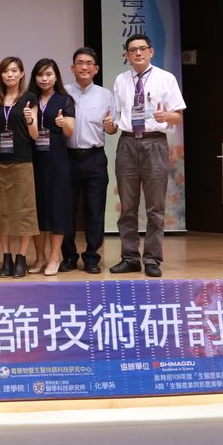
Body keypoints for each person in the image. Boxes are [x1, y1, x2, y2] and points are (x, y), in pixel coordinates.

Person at [110, 33, 187, 278]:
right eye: (133, 50)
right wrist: (108, 124)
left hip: (155, 143)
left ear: (151, 52)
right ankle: (130, 257)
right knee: (127, 207)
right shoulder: (121, 80)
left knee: (155, 207)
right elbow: (115, 118)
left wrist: (167, 117)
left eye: (143, 49)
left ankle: (152, 259)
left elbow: (178, 116)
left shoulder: (166, 78)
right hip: (127, 144)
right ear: (126, 55)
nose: (138, 53)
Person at [61, 47, 117, 274]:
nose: (84, 67)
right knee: (67, 210)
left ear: (96, 69)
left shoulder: (105, 95)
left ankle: (92, 257)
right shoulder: (63, 93)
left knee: (95, 210)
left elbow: (112, 129)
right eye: (79, 63)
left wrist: (111, 126)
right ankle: (69, 256)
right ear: (72, 68)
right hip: (67, 158)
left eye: (89, 63)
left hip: (94, 158)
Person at [0, 57, 39, 279]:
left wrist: (30, 120)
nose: (10, 75)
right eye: (6, 71)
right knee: (2, 212)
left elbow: (34, 135)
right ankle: (6, 258)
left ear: (22, 74)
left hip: (23, 162)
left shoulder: (29, 98)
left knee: (24, 212)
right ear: (1, 75)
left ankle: (21, 259)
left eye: (14, 71)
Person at [27, 58, 75, 276]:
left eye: (48, 74)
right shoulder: (29, 99)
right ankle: (39, 257)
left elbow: (70, 132)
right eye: (40, 75)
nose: (44, 79)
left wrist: (63, 123)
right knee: (38, 211)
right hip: (34, 160)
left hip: (57, 160)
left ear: (56, 77)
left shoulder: (65, 100)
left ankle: (55, 257)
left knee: (57, 209)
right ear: (34, 78)